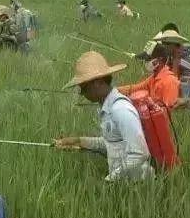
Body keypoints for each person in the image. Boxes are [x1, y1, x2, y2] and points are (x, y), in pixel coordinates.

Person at [54, 51, 154, 181]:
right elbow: (112, 144)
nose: (82, 94)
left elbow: (139, 154)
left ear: (97, 82)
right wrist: (79, 141)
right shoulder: (107, 108)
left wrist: (110, 179)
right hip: (123, 184)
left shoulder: (121, 109)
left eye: (83, 88)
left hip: (138, 185)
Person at [117, 44, 180, 109]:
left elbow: (170, 110)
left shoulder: (169, 82)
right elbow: (135, 88)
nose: (146, 62)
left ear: (159, 60)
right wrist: (114, 91)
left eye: (148, 59)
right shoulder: (154, 77)